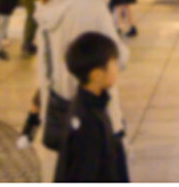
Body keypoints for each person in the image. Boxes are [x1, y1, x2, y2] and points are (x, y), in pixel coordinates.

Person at [34, 0, 128, 182]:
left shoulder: (49, 0)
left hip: (61, 112)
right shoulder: (91, 4)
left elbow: (44, 67)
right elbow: (118, 57)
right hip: (96, 113)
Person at [54, 32, 130, 183]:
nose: (117, 68)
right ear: (97, 75)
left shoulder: (91, 105)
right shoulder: (89, 121)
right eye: (114, 63)